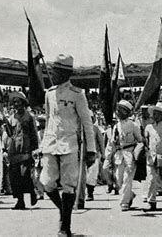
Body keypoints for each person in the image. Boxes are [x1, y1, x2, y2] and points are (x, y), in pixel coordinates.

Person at [39, 54, 96, 236]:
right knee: (46, 183)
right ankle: (65, 213)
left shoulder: (77, 95)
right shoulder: (49, 94)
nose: (53, 74)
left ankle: (65, 227)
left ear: (65, 73)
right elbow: (49, 120)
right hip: (50, 144)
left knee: (68, 185)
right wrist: (42, 145)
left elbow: (87, 123)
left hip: (69, 145)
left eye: (56, 71)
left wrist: (91, 150)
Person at [105, 100, 143, 211]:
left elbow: (140, 140)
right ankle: (130, 195)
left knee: (127, 179)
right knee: (119, 180)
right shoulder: (116, 126)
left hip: (130, 155)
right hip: (119, 155)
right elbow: (112, 143)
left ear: (127, 112)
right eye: (118, 110)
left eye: (121, 110)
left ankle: (124, 203)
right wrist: (108, 158)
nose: (118, 112)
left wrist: (137, 152)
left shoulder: (133, 125)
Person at [7, 92, 39, 209]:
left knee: (25, 174)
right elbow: (10, 134)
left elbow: (34, 133)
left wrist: (34, 149)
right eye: (15, 102)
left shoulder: (29, 117)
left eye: (18, 102)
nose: (16, 105)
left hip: (26, 148)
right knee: (15, 177)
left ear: (23, 103)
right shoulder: (11, 118)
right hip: (14, 149)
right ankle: (20, 201)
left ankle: (32, 192)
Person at [86, 111, 104, 202]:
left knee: (91, 176)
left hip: (94, 155)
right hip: (82, 156)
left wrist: (103, 154)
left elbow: (101, 142)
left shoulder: (96, 129)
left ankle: (90, 193)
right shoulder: (80, 128)